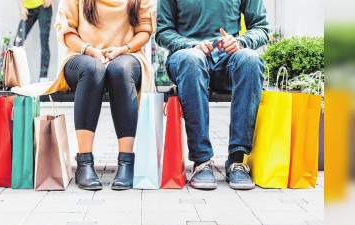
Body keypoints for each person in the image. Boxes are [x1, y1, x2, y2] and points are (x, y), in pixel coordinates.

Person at [156, 0, 270, 190]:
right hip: (186, 58)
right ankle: (202, 161)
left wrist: (240, 42)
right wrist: (191, 45)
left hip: (228, 60)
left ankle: (237, 161)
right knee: (192, 59)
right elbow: (162, 32)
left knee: (250, 59)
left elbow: (260, 28)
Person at [54, 0, 155, 191]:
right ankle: (84, 163)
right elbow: (66, 31)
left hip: (127, 54)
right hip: (82, 55)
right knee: (93, 69)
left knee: (120, 70)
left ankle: (126, 163)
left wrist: (122, 49)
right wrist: (92, 51)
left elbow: (144, 30)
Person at [15, 0, 52, 81]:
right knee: (17, 43)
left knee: (44, 43)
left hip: (44, 7)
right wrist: (21, 7)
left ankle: (43, 77)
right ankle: (16, 76)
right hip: (27, 9)